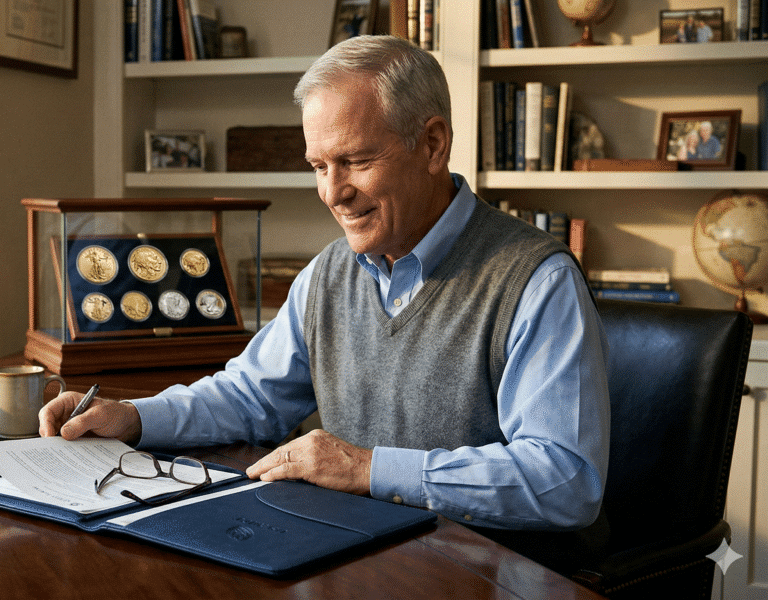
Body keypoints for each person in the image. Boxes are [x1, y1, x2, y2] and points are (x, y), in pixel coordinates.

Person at [40, 35, 610, 572]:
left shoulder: (539, 281)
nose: (332, 193)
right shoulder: (329, 273)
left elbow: (564, 481)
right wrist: (134, 417)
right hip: (358, 561)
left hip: (486, 576)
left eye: (357, 161)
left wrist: (366, 468)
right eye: (319, 166)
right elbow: (249, 396)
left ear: (433, 145)